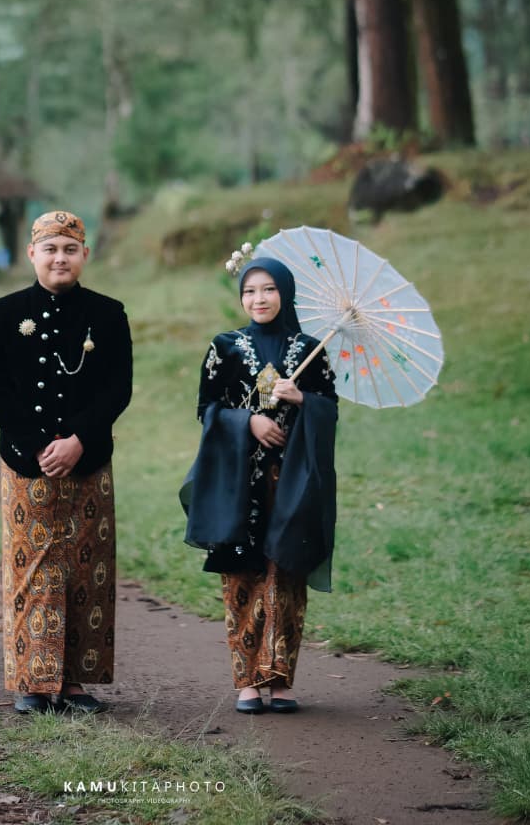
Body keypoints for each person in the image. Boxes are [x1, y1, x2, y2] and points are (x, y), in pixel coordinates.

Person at [0, 209, 133, 715]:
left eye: (70, 249)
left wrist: (80, 440)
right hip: (27, 462)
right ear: (32, 254)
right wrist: (39, 445)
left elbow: (118, 387)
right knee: (33, 568)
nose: (60, 258)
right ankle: (32, 682)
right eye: (50, 249)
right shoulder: (4, 313)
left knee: (86, 570)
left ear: (85, 254)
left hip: (89, 460)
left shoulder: (108, 313)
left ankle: (73, 683)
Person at [183, 256, 338, 715]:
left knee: (286, 572)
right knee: (242, 574)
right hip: (239, 483)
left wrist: (303, 399)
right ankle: (247, 681)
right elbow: (207, 409)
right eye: (250, 291)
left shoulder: (311, 348)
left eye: (269, 289)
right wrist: (248, 422)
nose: (259, 299)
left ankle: (280, 681)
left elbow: (330, 408)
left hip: (292, 482)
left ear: (285, 293)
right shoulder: (225, 347)